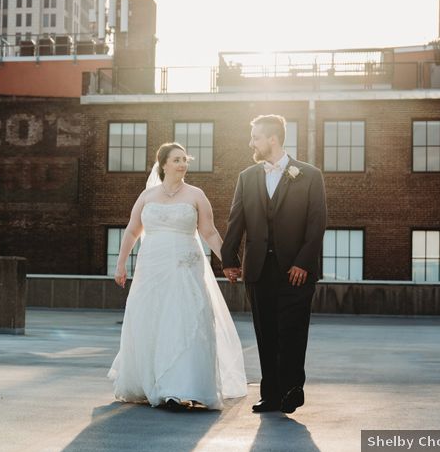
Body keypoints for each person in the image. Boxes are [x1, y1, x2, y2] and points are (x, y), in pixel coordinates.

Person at [108, 142, 247, 410]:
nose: (183, 164)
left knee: (185, 320)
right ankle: (153, 383)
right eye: (176, 160)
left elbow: (209, 232)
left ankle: (183, 386)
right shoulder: (147, 196)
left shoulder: (196, 194)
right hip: (151, 267)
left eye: (185, 159)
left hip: (185, 266)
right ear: (163, 164)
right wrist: (120, 264)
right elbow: (131, 231)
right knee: (152, 320)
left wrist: (228, 262)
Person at [222, 115, 327, 414]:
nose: (251, 143)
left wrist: (303, 263)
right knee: (265, 332)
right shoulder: (247, 177)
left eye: (255, 137)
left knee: (292, 331)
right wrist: (230, 260)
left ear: (272, 139)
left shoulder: (309, 175)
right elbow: (236, 220)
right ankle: (270, 395)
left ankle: (292, 390)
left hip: (296, 271)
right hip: (257, 271)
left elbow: (316, 224)